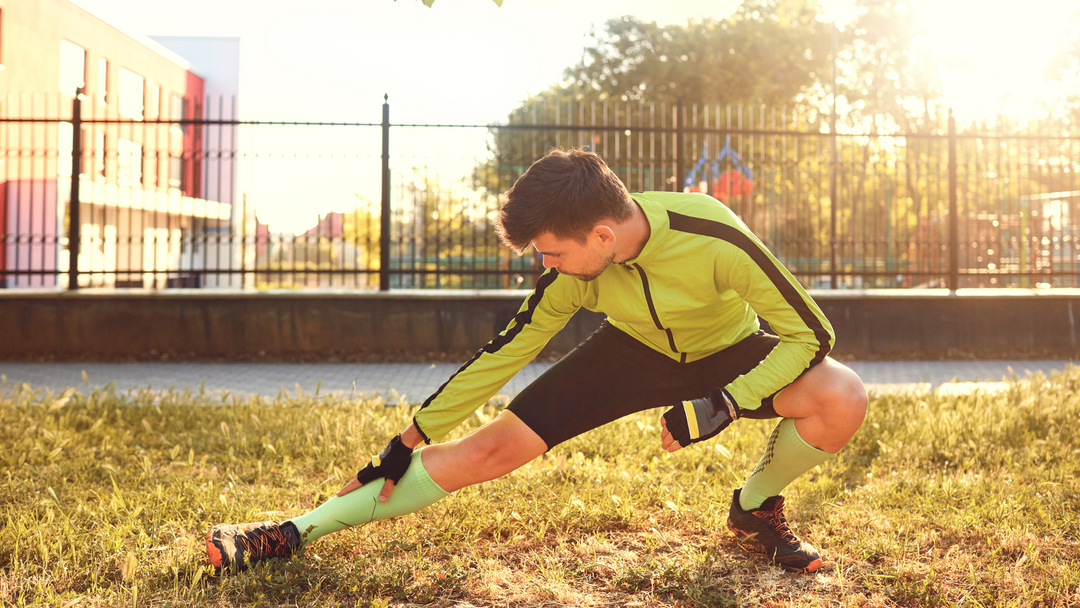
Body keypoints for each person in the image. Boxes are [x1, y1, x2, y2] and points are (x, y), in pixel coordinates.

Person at [206, 148, 867, 574]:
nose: (544, 267)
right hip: (630, 352)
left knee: (842, 395)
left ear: (601, 235)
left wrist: (724, 402)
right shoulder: (573, 276)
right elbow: (506, 351)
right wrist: (408, 438)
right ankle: (292, 531)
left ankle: (754, 506)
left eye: (551, 253)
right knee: (489, 450)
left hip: (729, 351)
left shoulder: (714, 237)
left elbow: (810, 332)